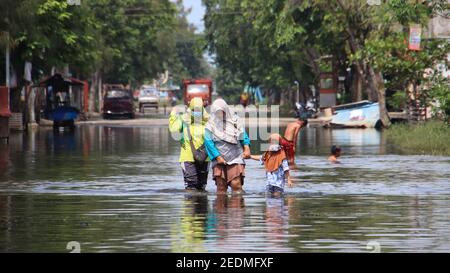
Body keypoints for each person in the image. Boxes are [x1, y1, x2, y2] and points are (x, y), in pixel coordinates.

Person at [204, 99, 251, 194]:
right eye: (217, 113)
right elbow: (208, 142)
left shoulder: (235, 120)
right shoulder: (210, 124)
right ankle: (221, 208)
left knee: (236, 185)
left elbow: (242, 134)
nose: (220, 115)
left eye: (222, 112)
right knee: (221, 187)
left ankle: (237, 207)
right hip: (218, 158)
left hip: (235, 156)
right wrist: (218, 157)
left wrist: (246, 148)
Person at [169, 97, 210, 191]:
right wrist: (173, 115)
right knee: (191, 186)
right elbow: (174, 130)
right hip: (187, 158)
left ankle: (202, 206)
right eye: (194, 110)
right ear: (190, 109)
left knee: (202, 186)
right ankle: (190, 205)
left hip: (204, 158)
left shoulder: (208, 121)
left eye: (199, 110)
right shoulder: (183, 120)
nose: (197, 112)